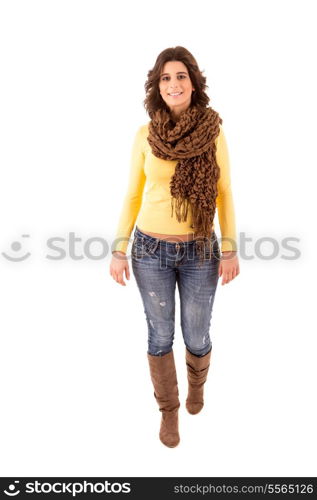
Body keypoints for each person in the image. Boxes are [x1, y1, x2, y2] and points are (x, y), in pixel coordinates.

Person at [109, 46, 240, 448]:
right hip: (150, 252)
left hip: (201, 249)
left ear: (193, 82)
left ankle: (196, 385)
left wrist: (231, 248)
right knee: (160, 334)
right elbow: (132, 193)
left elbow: (223, 191)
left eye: (180, 76)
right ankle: (169, 411)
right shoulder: (144, 135)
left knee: (197, 334)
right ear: (157, 85)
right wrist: (118, 248)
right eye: (165, 77)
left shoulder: (213, 131)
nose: (173, 84)